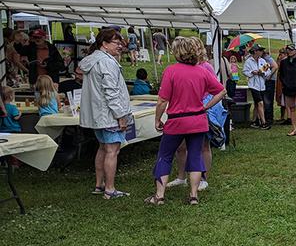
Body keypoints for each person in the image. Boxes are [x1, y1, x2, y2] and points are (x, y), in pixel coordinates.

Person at [146, 37, 225, 205]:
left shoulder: (171, 71)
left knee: (165, 156)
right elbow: (221, 91)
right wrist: (205, 106)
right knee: (195, 155)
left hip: (176, 121)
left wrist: (158, 119)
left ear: (177, 52)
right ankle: (194, 195)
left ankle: (159, 195)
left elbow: (162, 100)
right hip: (198, 120)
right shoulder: (202, 71)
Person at [78, 26, 132, 199]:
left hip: (98, 115)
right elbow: (111, 91)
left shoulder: (92, 60)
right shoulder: (107, 63)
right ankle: (110, 188)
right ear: (104, 44)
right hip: (108, 115)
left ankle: (99, 184)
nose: (120, 46)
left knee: (102, 148)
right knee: (112, 150)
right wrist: (120, 116)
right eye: (117, 42)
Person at [243, 45, 272, 129]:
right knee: (260, 103)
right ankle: (263, 122)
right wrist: (252, 72)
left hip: (262, 85)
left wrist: (263, 73)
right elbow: (245, 72)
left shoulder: (263, 60)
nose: (262, 52)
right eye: (260, 50)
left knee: (257, 104)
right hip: (253, 85)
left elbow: (268, 71)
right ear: (255, 51)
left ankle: (254, 121)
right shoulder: (248, 61)